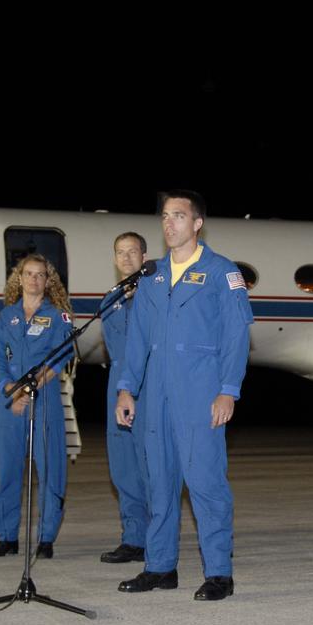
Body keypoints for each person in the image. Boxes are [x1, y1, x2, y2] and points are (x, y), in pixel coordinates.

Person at [115, 191, 254, 601]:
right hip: (155, 395)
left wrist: (228, 390)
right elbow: (137, 341)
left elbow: (236, 336)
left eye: (179, 215)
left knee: (206, 484)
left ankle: (219, 574)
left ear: (197, 224)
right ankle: (160, 566)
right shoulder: (152, 277)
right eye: (164, 216)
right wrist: (127, 388)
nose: (170, 223)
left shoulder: (220, 272)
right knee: (159, 483)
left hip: (200, 394)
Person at [0, 254, 74, 558]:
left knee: (49, 468)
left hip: (43, 398)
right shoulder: (6, 317)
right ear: (19, 278)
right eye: (29, 274)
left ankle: (46, 537)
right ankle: (7, 536)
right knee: (8, 469)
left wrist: (31, 387)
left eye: (40, 275)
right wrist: (10, 389)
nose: (34, 280)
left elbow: (60, 355)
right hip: (10, 401)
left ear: (48, 281)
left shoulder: (58, 317)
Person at [98, 232, 153, 564]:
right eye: (121, 252)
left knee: (151, 467)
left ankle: (158, 539)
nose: (127, 258)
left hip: (148, 387)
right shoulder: (110, 299)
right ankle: (134, 538)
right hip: (116, 387)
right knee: (123, 468)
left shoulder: (157, 295)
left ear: (145, 256)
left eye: (133, 252)